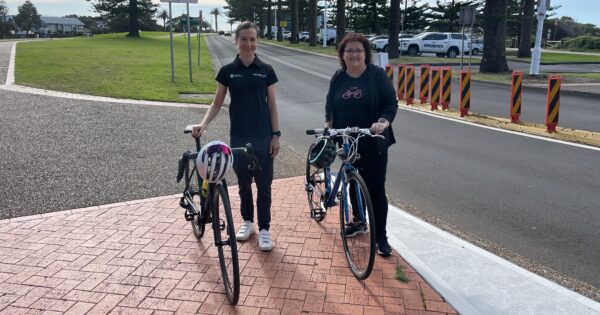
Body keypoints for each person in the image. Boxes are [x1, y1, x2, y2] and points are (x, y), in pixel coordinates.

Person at [192, 21, 280, 252]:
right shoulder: (228, 71)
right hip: (239, 137)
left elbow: (272, 107)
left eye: (253, 39)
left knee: (264, 186)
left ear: (256, 42)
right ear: (236, 41)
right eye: (244, 39)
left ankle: (264, 230)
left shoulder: (266, 70)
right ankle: (248, 222)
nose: (249, 44)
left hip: (263, 137)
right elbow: (217, 103)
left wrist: (276, 136)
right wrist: (203, 123)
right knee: (243, 184)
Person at [324, 33, 398, 257]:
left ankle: (381, 237)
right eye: (349, 51)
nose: (354, 54)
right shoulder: (338, 77)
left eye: (358, 50)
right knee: (352, 182)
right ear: (342, 55)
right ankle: (358, 221)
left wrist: (382, 123)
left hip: (372, 141)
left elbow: (390, 103)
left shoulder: (376, 75)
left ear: (366, 54)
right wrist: (329, 127)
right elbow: (330, 105)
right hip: (347, 139)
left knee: (375, 190)